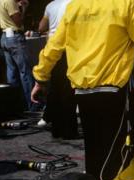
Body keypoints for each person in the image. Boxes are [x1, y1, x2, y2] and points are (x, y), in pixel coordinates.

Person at [30, 0, 134, 180]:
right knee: (115, 153)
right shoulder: (124, 5)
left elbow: (53, 47)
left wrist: (40, 78)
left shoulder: (74, 7)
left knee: (94, 150)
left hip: (83, 91)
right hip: (113, 91)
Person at [36, 0, 78, 139]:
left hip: (52, 48)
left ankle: (57, 128)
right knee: (68, 91)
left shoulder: (50, 5)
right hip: (68, 48)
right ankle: (69, 130)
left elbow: (41, 27)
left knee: (55, 89)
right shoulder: (74, 3)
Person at [0, 0, 34, 109]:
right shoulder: (10, 1)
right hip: (14, 38)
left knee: (11, 73)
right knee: (25, 72)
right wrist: (24, 9)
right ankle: (32, 105)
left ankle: (14, 105)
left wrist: (17, 6)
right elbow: (18, 21)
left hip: (5, 36)